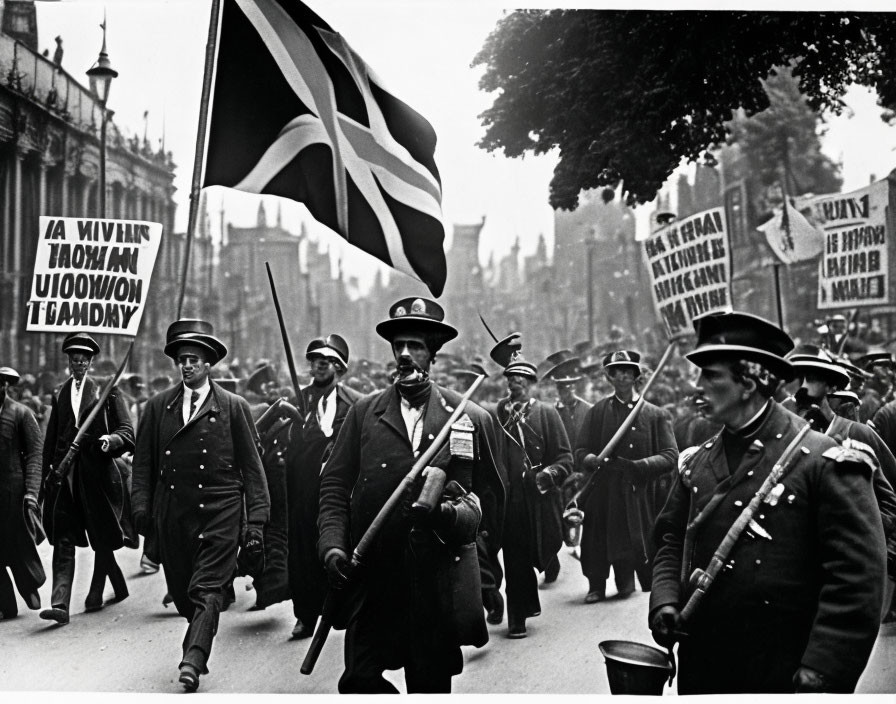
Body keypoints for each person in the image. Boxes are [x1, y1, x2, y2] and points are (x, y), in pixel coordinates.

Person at [650, 312, 886, 694]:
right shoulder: (697, 462)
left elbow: (857, 575)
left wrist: (823, 666)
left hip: (783, 671)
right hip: (704, 667)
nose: (698, 387)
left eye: (711, 375)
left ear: (748, 383)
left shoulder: (822, 460)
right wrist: (664, 601)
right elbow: (670, 538)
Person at [317, 297, 505, 693]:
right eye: (398, 346)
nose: (404, 354)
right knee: (358, 682)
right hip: (374, 575)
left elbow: (489, 498)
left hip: (435, 582)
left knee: (429, 686)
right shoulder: (365, 413)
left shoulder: (466, 416)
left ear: (432, 354)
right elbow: (334, 486)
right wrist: (333, 547)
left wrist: (471, 551)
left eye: (415, 346)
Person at [131, 319, 270, 692]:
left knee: (207, 590)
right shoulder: (158, 407)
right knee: (182, 593)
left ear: (209, 364)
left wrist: (255, 521)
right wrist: (142, 509)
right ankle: (194, 641)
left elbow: (253, 469)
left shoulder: (233, 406)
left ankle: (193, 659)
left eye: (194, 359)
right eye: (182, 359)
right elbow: (143, 464)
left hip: (221, 509)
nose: (187, 365)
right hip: (175, 513)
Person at [40, 333, 135, 626]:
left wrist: (111, 441)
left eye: (83, 359)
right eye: (73, 359)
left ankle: (106, 587)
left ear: (91, 362)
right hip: (66, 478)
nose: (78, 363)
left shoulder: (108, 391)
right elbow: (52, 439)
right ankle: (60, 603)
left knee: (101, 537)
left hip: (99, 478)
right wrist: (46, 476)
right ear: (68, 362)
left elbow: (127, 431)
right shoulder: (60, 393)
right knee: (64, 539)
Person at [573, 350, 677, 604]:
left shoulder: (654, 414)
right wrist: (590, 460)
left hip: (637, 491)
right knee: (597, 540)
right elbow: (580, 451)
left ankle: (631, 584)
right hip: (604, 489)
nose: (623, 376)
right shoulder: (597, 411)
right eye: (617, 371)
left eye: (628, 371)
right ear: (609, 377)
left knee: (635, 539)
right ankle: (595, 585)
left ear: (636, 377)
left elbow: (670, 455)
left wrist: (640, 466)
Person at [489, 333, 572, 638]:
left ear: (533, 383)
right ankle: (516, 616)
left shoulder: (547, 414)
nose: (516, 383)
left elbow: (565, 458)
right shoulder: (498, 413)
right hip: (509, 499)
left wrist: (549, 474)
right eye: (511, 378)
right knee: (513, 559)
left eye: (522, 378)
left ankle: (523, 606)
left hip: (536, 500)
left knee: (533, 552)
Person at [286, 334, 362, 639]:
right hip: (302, 488)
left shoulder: (355, 404)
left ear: (340, 368)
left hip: (339, 491)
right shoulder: (296, 400)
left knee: (336, 548)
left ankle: (341, 610)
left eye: (327, 361)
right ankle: (305, 614)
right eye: (316, 360)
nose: (319, 365)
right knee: (301, 551)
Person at [0, 366, 45, 620]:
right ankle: (5, 603)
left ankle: (29, 586)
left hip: (14, 494)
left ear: (5, 386)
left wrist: (31, 492)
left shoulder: (21, 413)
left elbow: (35, 455)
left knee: (19, 546)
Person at [542, 350, 592, 554]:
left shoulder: (589, 410)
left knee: (585, 510)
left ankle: (582, 547)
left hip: (585, 470)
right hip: (562, 471)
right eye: (563, 386)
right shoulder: (551, 413)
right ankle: (565, 544)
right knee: (561, 512)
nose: (568, 390)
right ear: (557, 388)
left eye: (571, 385)